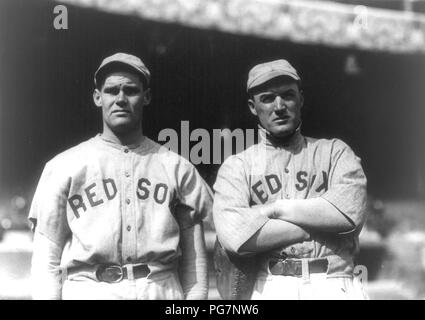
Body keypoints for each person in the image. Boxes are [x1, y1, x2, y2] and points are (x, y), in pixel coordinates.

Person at [29, 52, 212, 300]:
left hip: (159, 288)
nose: (121, 99)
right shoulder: (63, 166)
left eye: (131, 90)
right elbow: (46, 261)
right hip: (90, 288)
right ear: (98, 97)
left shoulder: (176, 167)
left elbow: (195, 265)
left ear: (146, 97)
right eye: (112, 90)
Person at [213, 59, 368, 299]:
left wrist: (276, 209)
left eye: (287, 95)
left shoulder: (335, 152)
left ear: (301, 99)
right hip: (272, 286)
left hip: (333, 283)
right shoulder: (237, 166)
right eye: (267, 98)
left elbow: (349, 214)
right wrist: (314, 226)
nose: (279, 106)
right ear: (253, 107)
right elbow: (235, 237)